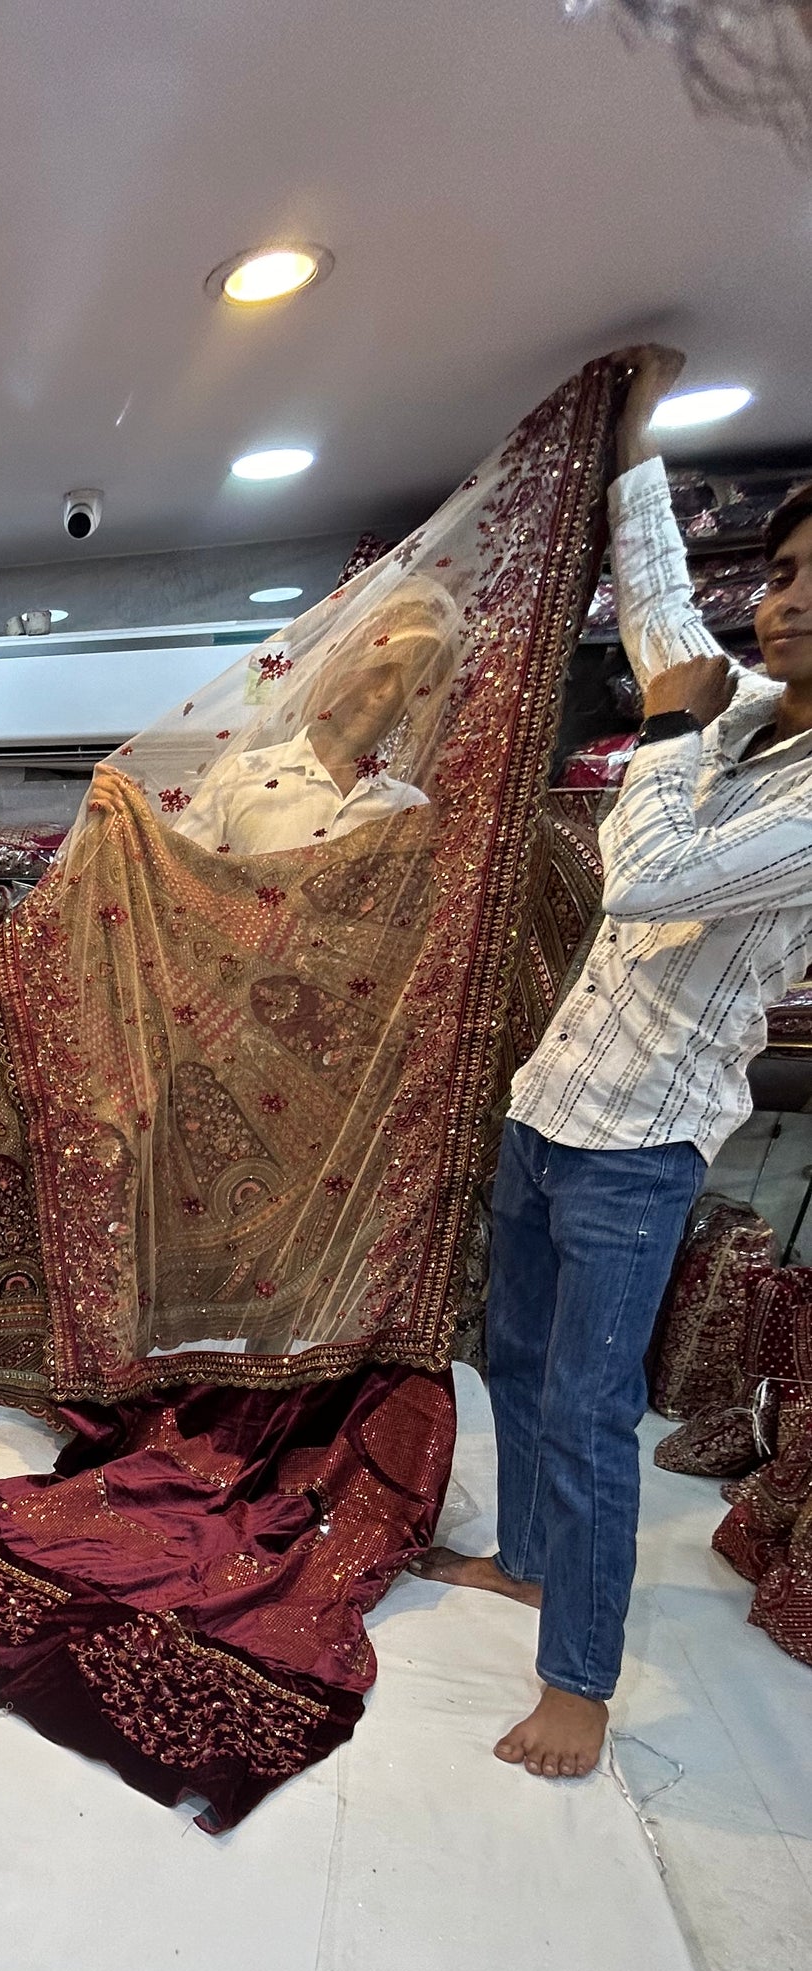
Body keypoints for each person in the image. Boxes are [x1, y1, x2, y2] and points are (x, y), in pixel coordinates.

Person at [419, 344, 812, 1779]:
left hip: (638, 1148)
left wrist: (665, 723)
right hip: (549, 1107)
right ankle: (530, 1563)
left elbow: (643, 879)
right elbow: (660, 615)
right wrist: (632, 441)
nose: (789, 598)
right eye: (783, 573)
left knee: (590, 1409)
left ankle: (577, 1678)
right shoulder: (741, 718)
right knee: (517, 1359)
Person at [173, 580, 458, 854]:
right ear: (337, 668)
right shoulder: (239, 777)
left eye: (411, 682)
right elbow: (181, 873)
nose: (388, 693)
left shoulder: (408, 808)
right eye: (380, 668)